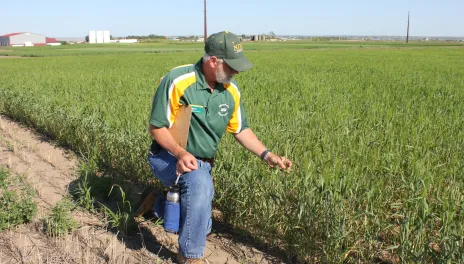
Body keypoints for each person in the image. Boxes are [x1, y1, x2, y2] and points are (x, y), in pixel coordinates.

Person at [146, 31, 292, 264]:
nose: (236, 72)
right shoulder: (178, 80)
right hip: (166, 157)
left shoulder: (231, 91)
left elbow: (240, 129)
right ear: (213, 61)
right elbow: (156, 127)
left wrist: (267, 155)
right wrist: (181, 153)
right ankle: (189, 256)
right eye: (232, 67)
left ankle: (162, 206)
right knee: (200, 185)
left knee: (202, 224)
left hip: (202, 164)